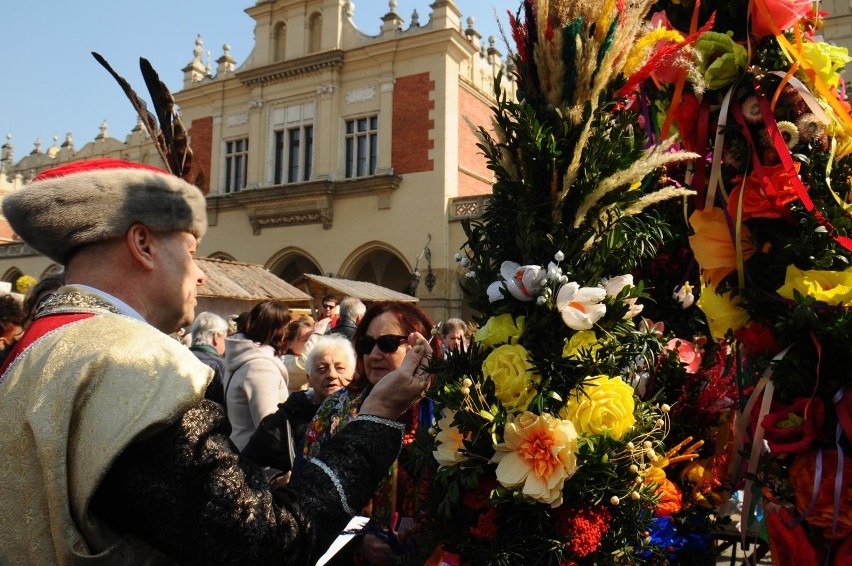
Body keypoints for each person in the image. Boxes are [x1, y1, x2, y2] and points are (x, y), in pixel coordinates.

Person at [0, 158, 434, 565]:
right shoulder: (133, 362)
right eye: (191, 252)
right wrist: (377, 415)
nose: (201, 272)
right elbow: (261, 540)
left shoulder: (35, 351)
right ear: (143, 243)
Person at [304, 301, 437, 565]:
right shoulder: (335, 408)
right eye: (367, 344)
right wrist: (357, 539)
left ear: (418, 347)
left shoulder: (445, 411)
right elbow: (309, 492)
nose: (375, 354)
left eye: (387, 343)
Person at [242, 334, 356, 477]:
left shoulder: (362, 414)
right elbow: (247, 466)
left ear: (352, 375)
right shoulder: (282, 421)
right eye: (322, 368)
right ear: (309, 378)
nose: (331, 375)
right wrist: (275, 477)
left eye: (340, 368)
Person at [225, 299, 292, 451]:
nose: (289, 332)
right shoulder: (260, 367)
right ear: (277, 330)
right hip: (257, 464)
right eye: (287, 326)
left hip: (242, 451)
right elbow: (269, 428)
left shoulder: (245, 357)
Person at [189, 311, 229, 405]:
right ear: (216, 337)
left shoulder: (179, 358)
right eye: (225, 338)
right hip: (212, 419)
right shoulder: (220, 365)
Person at [280, 317, 316, 392]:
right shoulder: (284, 362)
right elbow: (303, 366)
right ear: (289, 343)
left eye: (311, 339)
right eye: (306, 340)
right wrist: (316, 335)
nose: (311, 343)